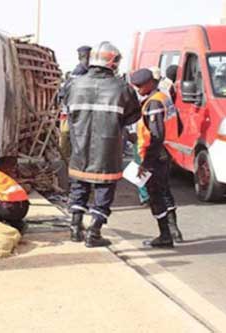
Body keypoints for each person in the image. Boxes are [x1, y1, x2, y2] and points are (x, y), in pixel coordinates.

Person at [63, 41, 141, 247]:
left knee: (78, 187)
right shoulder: (122, 87)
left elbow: (66, 109)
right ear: (113, 62)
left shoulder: (74, 84)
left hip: (79, 146)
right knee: (103, 191)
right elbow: (133, 115)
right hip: (108, 149)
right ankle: (94, 233)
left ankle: (74, 228)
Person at [130, 68, 183, 247]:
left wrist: (146, 163)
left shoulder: (153, 104)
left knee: (155, 195)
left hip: (155, 156)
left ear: (149, 83)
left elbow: (156, 136)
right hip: (166, 153)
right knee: (165, 191)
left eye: (140, 86)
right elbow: (179, 125)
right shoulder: (163, 97)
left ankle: (165, 235)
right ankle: (173, 230)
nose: (138, 90)